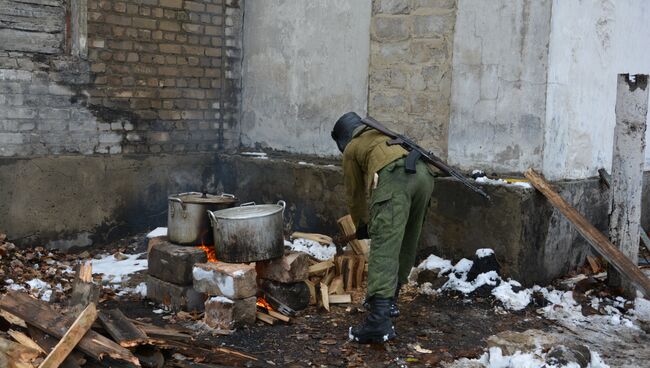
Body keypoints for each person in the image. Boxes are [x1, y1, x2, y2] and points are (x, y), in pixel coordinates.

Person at [331, 112, 435, 343]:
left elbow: (355, 193)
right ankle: (390, 303)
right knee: (406, 241)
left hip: (398, 179)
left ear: (342, 137)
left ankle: (378, 322)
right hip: (424, 177)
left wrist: (363, 225)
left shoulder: (352, 148)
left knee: (384, 246)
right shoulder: (382, 135)